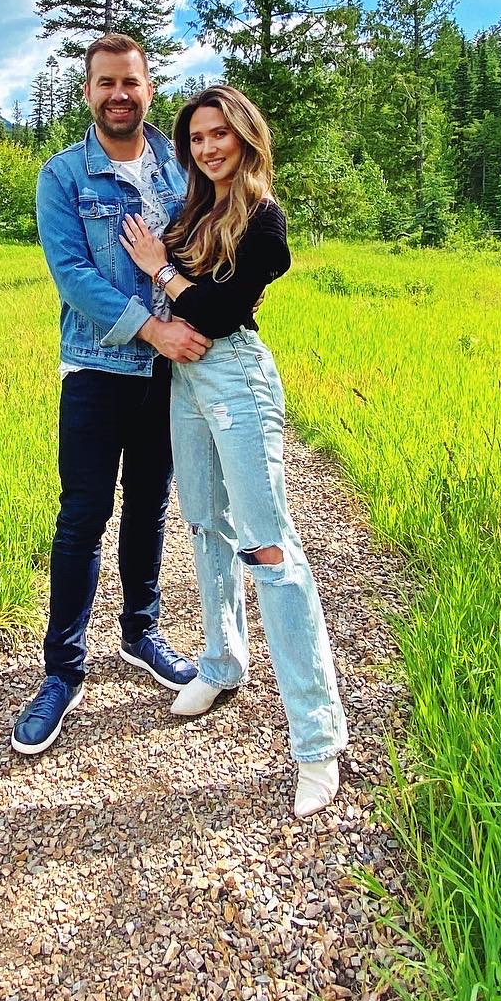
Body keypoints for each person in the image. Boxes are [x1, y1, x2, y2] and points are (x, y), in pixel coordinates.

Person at [119, 85, 348, 818]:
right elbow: (184, 308)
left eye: (220, 134)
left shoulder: (266, 221)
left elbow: (217, 311)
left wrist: (161, 269)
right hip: (184, 380)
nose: (208, 147)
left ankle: (317, 740)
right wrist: (168, 277)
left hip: (236, 379)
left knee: (270, 550)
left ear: (247, 137)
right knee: (204, 526)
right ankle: (222, 661)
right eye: (196, 138)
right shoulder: (193, 212)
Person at [12, 33, 207, 756]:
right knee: (82, 517)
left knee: (151, 506)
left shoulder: (182, 173)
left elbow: (206, 253)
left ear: (149, 88)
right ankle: (62, 672)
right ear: (87, 91)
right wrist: (154, 331)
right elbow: (73, 277)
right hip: (97, 369)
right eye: (105, 83)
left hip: (168, 379)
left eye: (131, 82)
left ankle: (140, 633)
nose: (119, 94)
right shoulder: (63, 176)